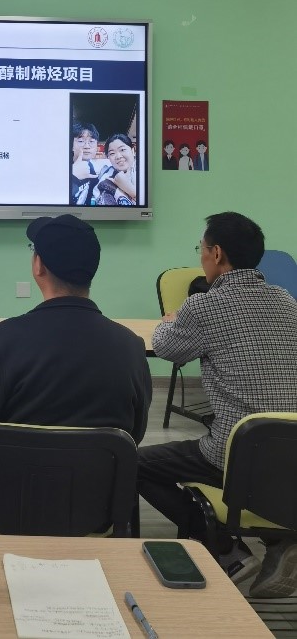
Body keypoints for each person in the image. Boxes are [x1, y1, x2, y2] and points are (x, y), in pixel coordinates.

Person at [138, 212, 297, 596]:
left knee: (133, 463)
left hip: (236, 450)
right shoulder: (287, 302)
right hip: (290, 449)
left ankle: (229, 552)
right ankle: (281, 541)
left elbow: (166, 348)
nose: (201, 256)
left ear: (217, 254)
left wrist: (172, 318)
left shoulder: (203, 307)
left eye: (202, 249)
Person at [0, 215, 152, 444]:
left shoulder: (4, 339)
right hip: (104, 468)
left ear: (39, 265)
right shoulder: (131, 346)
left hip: (17, 468)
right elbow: (134, 434)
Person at [70, 121, 109, 206]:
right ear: (71, 145)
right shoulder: (62, 167)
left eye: (91, 141)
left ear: (96, 146)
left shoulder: (91, 169)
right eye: (81, 141)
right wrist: (73, 177)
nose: (87, 146)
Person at [94, 132, 137, 206]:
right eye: (112, 153)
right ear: (108, 157)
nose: (118, 156)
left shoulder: (147, 171)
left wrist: (130, 190)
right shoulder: (106, 183)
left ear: (133, 150)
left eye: (122, 150)